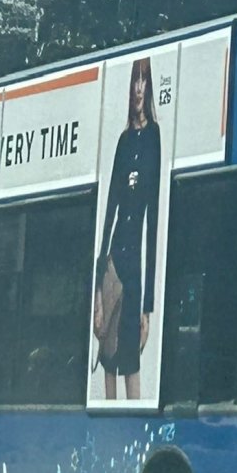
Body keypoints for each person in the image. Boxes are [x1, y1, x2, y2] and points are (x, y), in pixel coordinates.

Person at [93, 57, 162, 401]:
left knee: (131, 363)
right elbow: (109, 213)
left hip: (136, 266)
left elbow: (154, 219)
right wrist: (97, 294)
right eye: (135, 80)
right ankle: (106, 422)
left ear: (149, 88)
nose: (138, 88)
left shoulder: (155, 137)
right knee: (109, 358)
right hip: (115, 263)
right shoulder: (123, 141)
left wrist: (147, 306)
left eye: (144, 80)